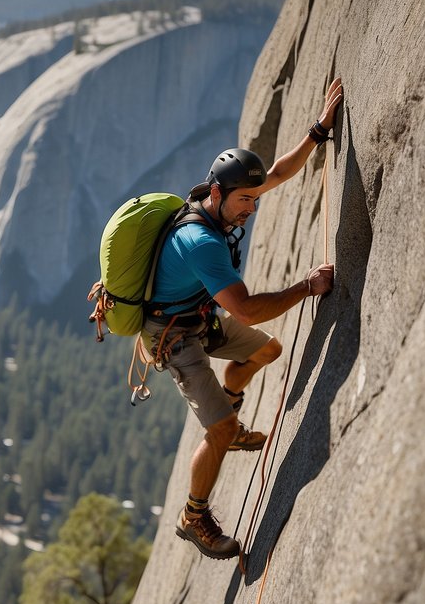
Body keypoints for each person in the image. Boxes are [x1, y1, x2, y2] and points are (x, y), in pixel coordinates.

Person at [145, 78, 344, 560]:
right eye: (245, 202)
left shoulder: (226, 202)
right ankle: (193, 517)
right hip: (173, 337)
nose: (252, 209)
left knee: (266, 350)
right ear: (217, 193)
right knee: (219, 432)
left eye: (255, 201)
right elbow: (249, 308)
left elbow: (275, 172)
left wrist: (316, 133)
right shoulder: (202, 243)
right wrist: (306, 287)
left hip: (199, 316)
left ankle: (228, 414)